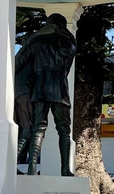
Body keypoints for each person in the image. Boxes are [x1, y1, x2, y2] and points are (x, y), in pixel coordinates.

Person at [14, 13, 78, 176]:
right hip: (60, 87)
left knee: (38, 128)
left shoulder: (37, 39)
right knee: (64, 129)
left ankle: (32, 167)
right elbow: (68, 67)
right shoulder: (71, 42)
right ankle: (65, 169)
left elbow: (19, 61)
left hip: (40, 86)